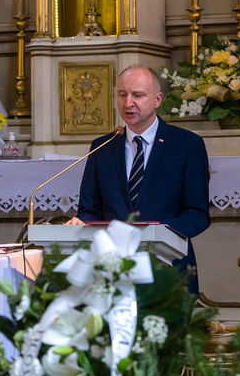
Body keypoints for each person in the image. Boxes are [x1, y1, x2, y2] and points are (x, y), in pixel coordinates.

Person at [69, 65, 210, 293]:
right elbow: (88, 209)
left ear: (157, 99)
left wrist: (155, 233)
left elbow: (198, 214)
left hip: (168, 268)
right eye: (122, 95)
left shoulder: (186, 145)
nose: (128, 103)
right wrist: (82, 221)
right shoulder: (102, 147)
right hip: (110, 269)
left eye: (138, 95)